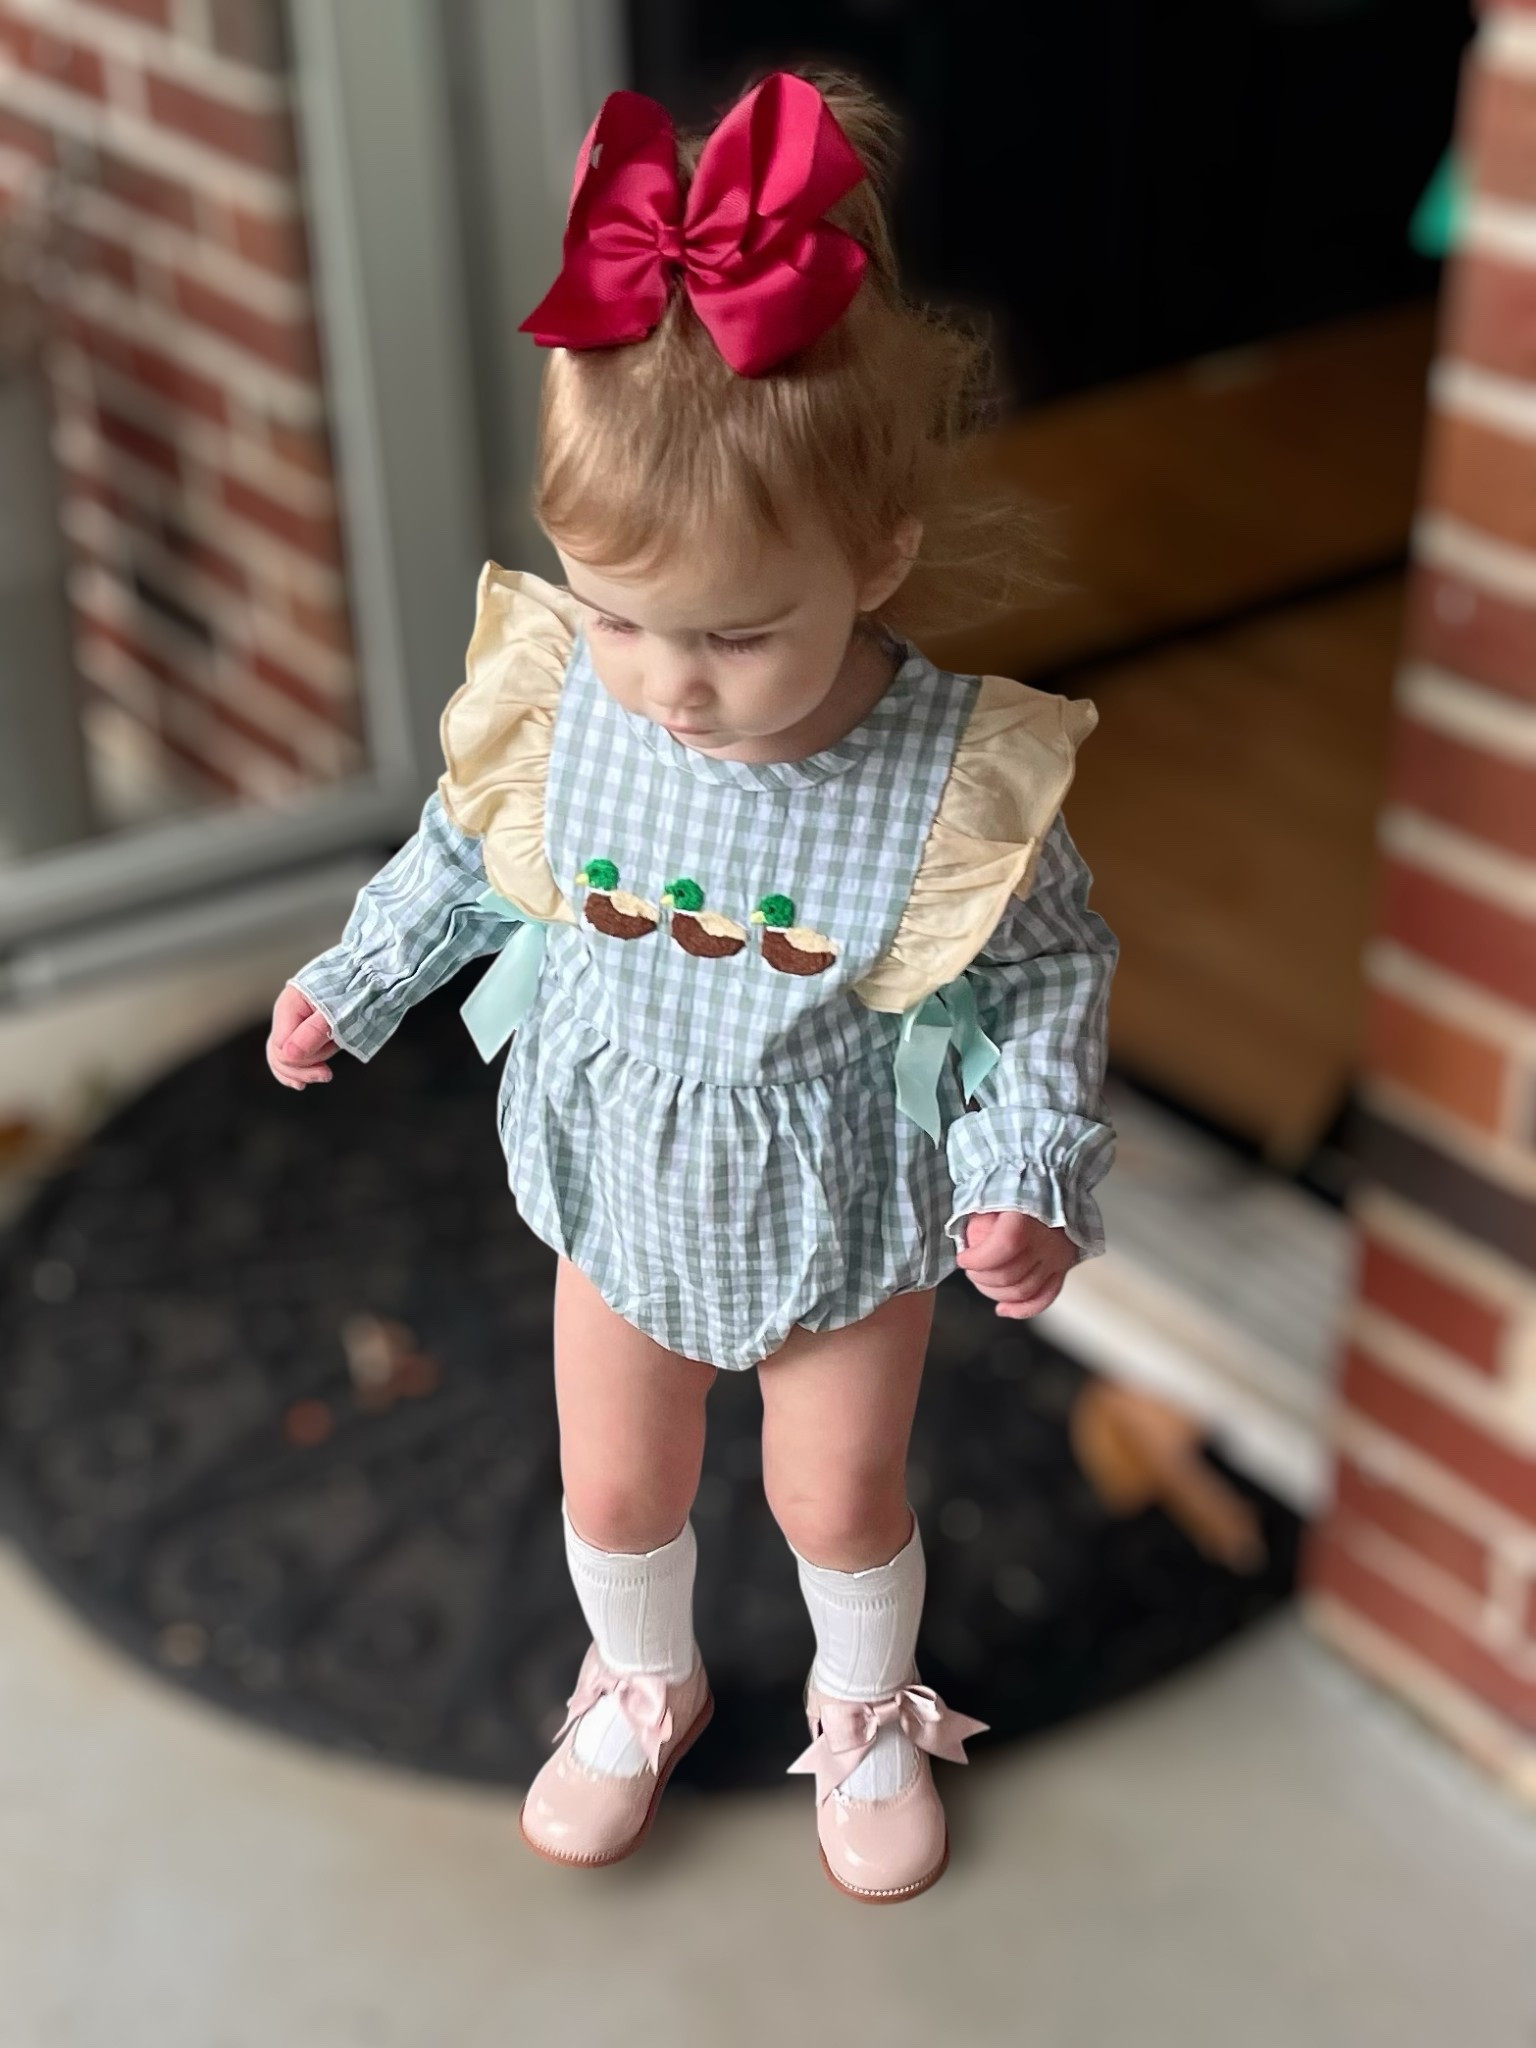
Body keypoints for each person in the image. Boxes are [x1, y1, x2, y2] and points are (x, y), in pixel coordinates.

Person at [266, 67, 1116, 1903]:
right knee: (618, 1484)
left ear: (873, 555)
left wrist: (1017, 1169)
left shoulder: (940, 781)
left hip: (834, 1193)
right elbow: (466, 854)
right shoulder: (570, 698)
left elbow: (1045, 972)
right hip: (615, 1171)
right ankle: (641, 1675)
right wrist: (362, 979)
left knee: (834, 1496)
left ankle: (867, 1705)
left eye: (736, 634)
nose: (668, 681)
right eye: (622, 612)